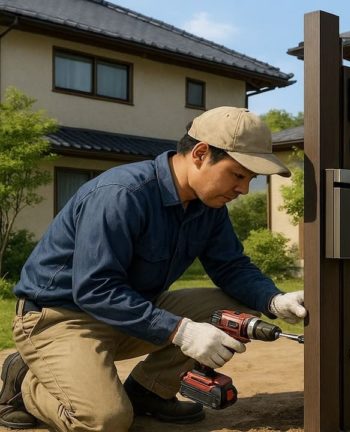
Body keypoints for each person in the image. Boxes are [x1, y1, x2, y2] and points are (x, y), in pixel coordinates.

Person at [0, 106, 307, 431]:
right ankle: (25, 385)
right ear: (200, 154)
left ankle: (149, 393)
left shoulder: (209, 207)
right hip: (60, 319)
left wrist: (273, 300)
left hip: (128, 313)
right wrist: (181, 331)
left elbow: (231, 266)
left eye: (251, 179)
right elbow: (94, 289)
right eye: (238, 175)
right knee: (105, 421)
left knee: (236, 310)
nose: (243, 189)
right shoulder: (121, 194)